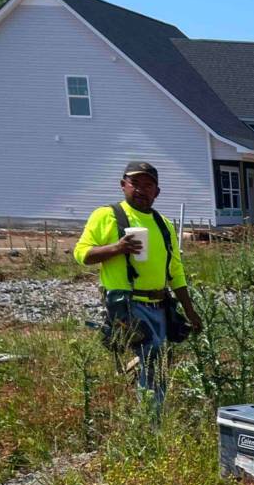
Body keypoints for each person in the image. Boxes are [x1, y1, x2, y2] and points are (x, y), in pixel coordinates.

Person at [74, 162, 201, 411]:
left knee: (160, 359)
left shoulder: (164, 224)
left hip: (160, 304)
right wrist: (117, 248)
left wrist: (189, 309)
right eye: (135, 184)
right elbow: (82, 254)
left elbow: (175, 271)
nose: (141, 190)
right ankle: (152, 425)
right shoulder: (107, 215)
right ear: (123, 186)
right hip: (128, 305)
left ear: (157, 191)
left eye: (147, 185)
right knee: (154, 359)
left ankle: (141, 393)